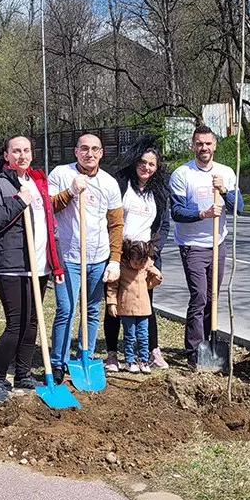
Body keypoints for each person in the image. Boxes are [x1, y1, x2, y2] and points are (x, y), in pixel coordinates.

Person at [0, 135, 65, 405]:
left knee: (32, 323)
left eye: (26, 150)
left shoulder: (38, 183)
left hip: (39, 265)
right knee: (15, 324)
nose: (22, 155)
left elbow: (51, 227)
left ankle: (24, 374)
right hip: (11, 265)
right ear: (6, 155)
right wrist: (18, 201)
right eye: (16, 151)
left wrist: (56, 262)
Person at [48, 133, 123, 382]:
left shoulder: (109, 183)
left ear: (101, 153)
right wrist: (70, 191)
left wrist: (114, 260)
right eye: (84, 149)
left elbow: (115, 225)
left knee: (91, 310)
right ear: (76, 152)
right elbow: (48, 207)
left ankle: (85, 356)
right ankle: (58, 362)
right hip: (68, 256)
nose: (89, 154)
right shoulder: (60, 174)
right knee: (66, 309)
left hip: (98, 256)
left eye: (94, 149)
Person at [169, 124, 244, 366]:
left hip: (217, 243)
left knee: (213, 296)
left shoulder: (226, 173)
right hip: (192, 244)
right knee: (199, 296)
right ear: (193, 146)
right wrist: (203, 213)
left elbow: (238, 208)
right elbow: (178, 211)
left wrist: (224, 191)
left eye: (208, 143)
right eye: (199, 143)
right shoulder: (182, 174)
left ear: (215, 145)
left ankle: (209, 344)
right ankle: (193, 351)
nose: (204, 148)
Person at [103, 139, 171, 371]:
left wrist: (152, 255)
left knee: (145, 304)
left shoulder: (160, 192)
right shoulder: (121, 184)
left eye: (152, 164)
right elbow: (109, 218)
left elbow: (163, 226)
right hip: (120, 254)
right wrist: (115, 252)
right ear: (134, 162)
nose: (146, 168)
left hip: (146, 256)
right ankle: (112, 354)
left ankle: (152, 351)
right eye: (142, 162)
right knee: (115, 303)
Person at [106, 239, 163, 373]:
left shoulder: (145, 268)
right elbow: (112, 286)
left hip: (143, 308)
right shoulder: (122, 267)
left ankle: (143, 360)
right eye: (135, 262)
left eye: (141, 263)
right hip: (127, 308)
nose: (138, 266)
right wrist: (112, 303)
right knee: (129, 336)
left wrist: (156, 274)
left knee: (143, 335)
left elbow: (149, 285)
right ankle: (129, 360)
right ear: (129, 257)